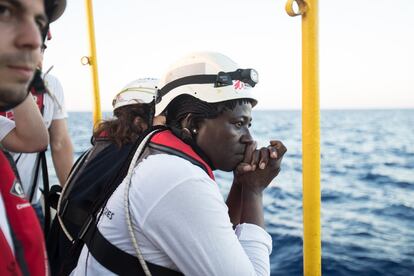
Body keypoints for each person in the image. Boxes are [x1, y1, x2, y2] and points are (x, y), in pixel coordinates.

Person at [71, 51, 287, 276]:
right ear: (193, 123)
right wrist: (254, 192)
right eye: (238, 123)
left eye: (248, 124)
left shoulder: (163, 163)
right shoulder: (177, 177)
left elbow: (223, 242)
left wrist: (241, 184)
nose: (249, 138)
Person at [47, 77, 160, 275]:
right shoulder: (134, 160)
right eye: (161, 116)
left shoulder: (102, 148)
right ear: (139, 121)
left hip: (61, 256)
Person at [0, 0, 66, 275]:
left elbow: (50, 141)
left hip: (24, 201)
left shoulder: (50, 87)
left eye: (38, 26)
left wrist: (70, 196)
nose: (31, 41)